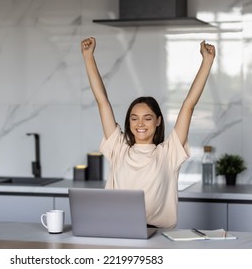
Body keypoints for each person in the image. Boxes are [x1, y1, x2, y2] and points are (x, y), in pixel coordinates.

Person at [81, 37, 215, 228]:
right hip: (116, 231)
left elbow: (188, 106)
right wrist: (88, 57)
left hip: (157, 236)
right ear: (129, 122)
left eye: (147, 118)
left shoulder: (169, 153)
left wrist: (207, 62)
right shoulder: (118, 149)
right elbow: (102, 101)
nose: (140, 123)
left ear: (158, 121)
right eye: (134, 118)